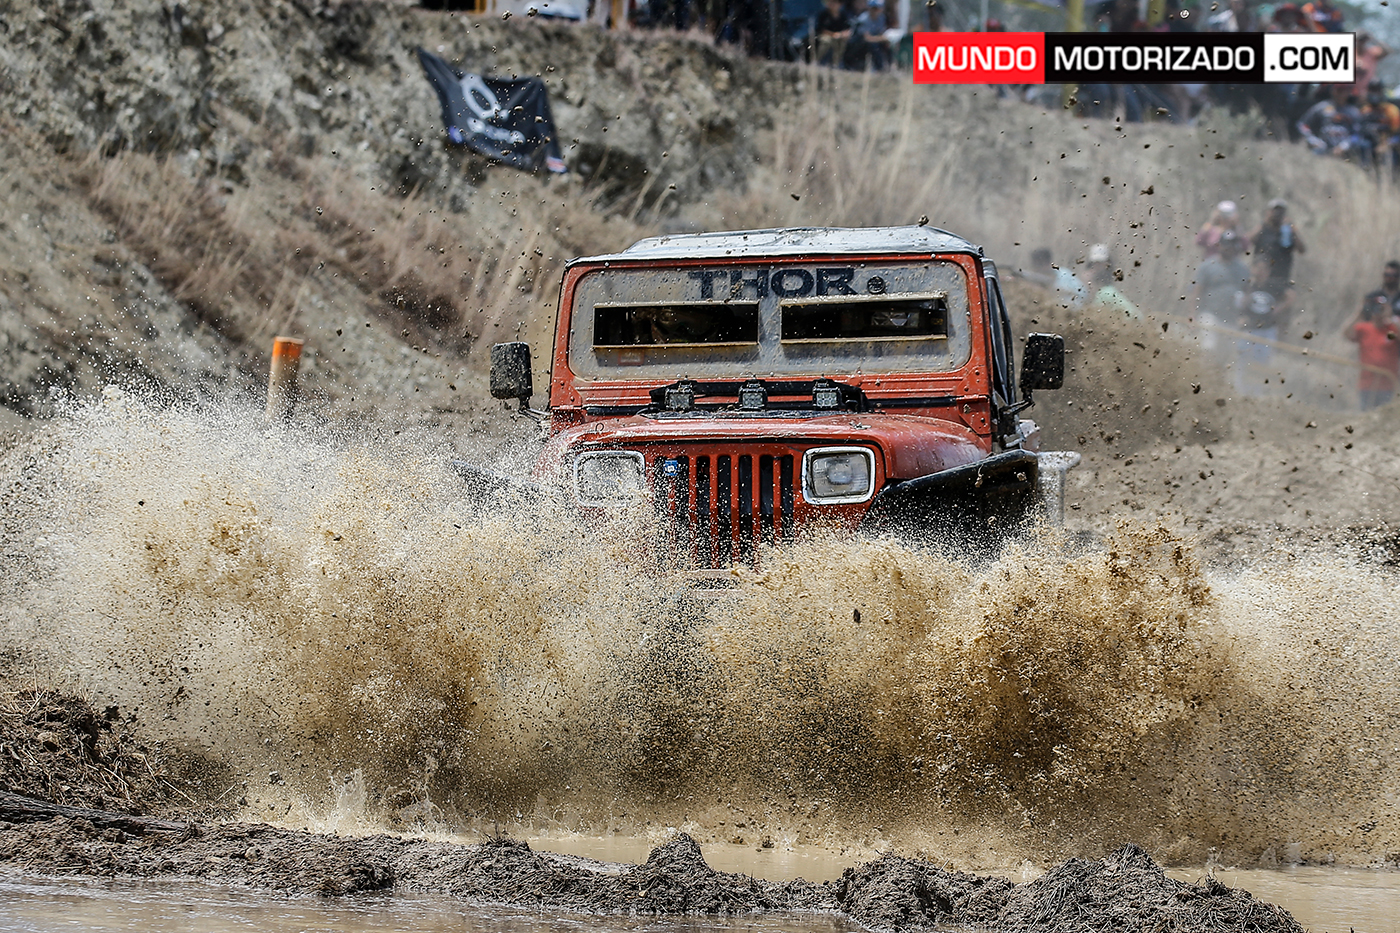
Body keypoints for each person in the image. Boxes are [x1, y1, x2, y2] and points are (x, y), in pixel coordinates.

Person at [1233, 256, 1295, 395]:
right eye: (1258, 268)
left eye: (1264, 269)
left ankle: (1257, 393)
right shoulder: (1247, 284)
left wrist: (1278, 308)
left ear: (1268, 271)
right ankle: (1239, 391)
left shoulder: (1273, 286)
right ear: (1253, 268)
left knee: (1262, 364)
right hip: (1249, 329)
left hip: (1267, 330)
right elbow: (1238, 304)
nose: (1260, 272)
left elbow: (1291, 296)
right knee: (1243, 361)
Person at [1194, 230, 1250, 350]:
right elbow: (1197, 291)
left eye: (1231, 246)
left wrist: (1244, 314)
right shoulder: (1208, 265)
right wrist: (1192, 315)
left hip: (1231, 319)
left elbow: (1247, 292)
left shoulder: (1243, 269)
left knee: (1227, 354)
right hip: (1210, 314)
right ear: (1219, 245)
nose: (1228, 248)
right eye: (1226, 245)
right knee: (1208, 347)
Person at [1345, 292, 1400, 410]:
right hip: (1367, 384)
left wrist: (1389, 315)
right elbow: (1347, 333)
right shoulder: (1364, 328)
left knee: (1385, 416)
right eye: (1375, 308)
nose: (1378, 312)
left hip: (1388, 385)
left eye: (1380, 308)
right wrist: (1360, 312)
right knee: (1365, 415)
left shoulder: (1392, 328)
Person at [1249, 199, 1305, 289]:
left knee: (1289, 295)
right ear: (1268, 212)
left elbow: (1302, 250)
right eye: (1274, 211)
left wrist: (1292, 228)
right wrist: (1263, 224)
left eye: (1280, 212)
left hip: (1281, 279)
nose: (1277, 214)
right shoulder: (1263, 229)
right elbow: (1247, 242)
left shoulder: (1287, 232)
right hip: (1260, 279)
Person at [1085, 243, 1140, 318]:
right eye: (1094, 264)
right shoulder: (1106, 291)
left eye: (1099, 264)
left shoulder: (1105, 293)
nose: (1096, 268)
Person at [1022, 248, 1089, 309]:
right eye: (1037, 265)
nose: (1040, 268)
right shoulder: (1032, 278)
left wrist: (1062, 291)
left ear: (1048, 263)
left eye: (1041, 264)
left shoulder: (1064, 274)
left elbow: (1083, 293)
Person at [814, 0, 850, 67]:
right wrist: (833, 34)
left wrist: (842, 34)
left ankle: (836, 63)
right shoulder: (824, 14)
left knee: (842, 43)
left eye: (836, 3)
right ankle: (816, 61)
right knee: (826, 41)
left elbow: (847, 28)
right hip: (825, 35)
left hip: (839, 37)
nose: (833, 4)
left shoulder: (843, 15)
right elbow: (821, 29)